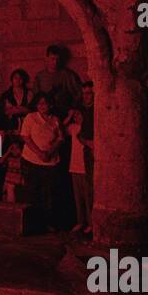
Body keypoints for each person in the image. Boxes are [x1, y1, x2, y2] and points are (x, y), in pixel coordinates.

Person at [21, 92, 63, 232]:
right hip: (32, 160)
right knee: (32, 193)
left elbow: (60, 138)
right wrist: (39, 153)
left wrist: (49, 153)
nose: (42, 106)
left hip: (50, 162)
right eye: (39, 103)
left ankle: (47, 223)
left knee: (48, 194)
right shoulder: (31, 117)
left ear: (50, 104)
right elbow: (26, 137)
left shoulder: (55, 120)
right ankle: (32, 224)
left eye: (45, 103)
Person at [64, 82, 96, 235]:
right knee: (79, 196)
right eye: (84, 93)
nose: (86, 96)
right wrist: (70, 116)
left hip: (89, 158)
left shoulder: (96, 111)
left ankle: (91, 222)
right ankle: (81, 221)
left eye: (89, 93)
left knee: (90, 192)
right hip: (75, 164)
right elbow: (60, 129)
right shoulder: (73, 127)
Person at [31, 44, 82, 117]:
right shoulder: (40, 77)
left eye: (57, 59)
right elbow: (36, 97)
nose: (55, 62)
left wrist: (73, 107)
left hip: (64, 112)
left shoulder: (67, 75)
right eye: (52, 59)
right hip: (45, 114)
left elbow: (78, 93)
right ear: (46, 58)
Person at [2, 138, 27, 204]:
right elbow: (1, 162)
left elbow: (25, 163)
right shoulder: (9, 158)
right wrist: (8, 152)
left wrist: (21, 152)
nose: (14, 150)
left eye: (16, 148)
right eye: (13, 148)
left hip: (17, 183)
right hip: (7, 182)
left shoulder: (22, 159)